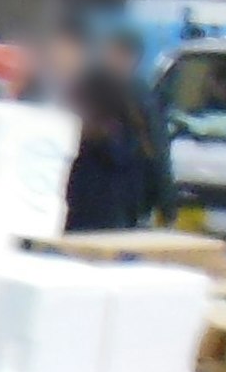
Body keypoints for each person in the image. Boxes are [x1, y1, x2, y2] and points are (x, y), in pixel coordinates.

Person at [62, 28, 165, 234]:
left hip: (84, 225)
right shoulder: (135, 113)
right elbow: (157, 156)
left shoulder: (82, 142)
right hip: (120, 223)